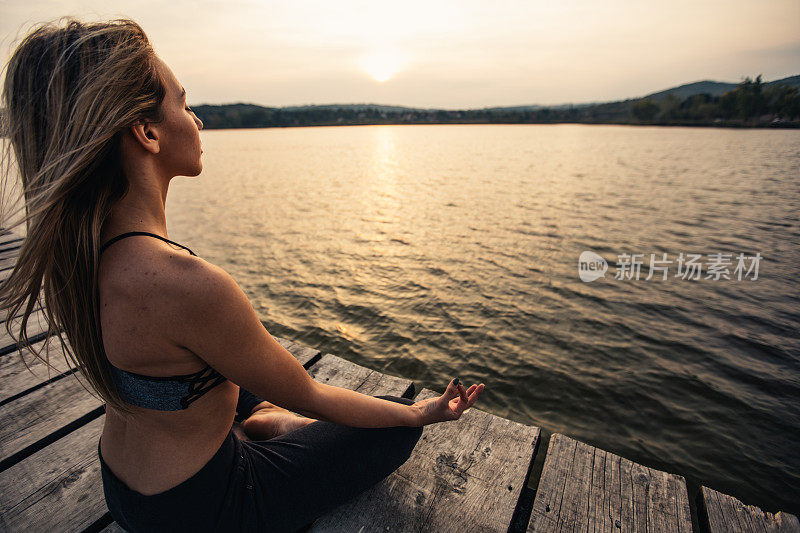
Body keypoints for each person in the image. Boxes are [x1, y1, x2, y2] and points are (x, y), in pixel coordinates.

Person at [0, 17, 485, 532]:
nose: (198, 120)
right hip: (205, 508)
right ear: (146, 133)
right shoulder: (188, 284)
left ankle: (261, 418)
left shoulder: (79, 255)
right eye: (184, 104)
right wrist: (423, 414)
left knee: (226, 368)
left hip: (124, 487)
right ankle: (270, 424)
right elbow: (312, 395)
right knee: (391, 420)